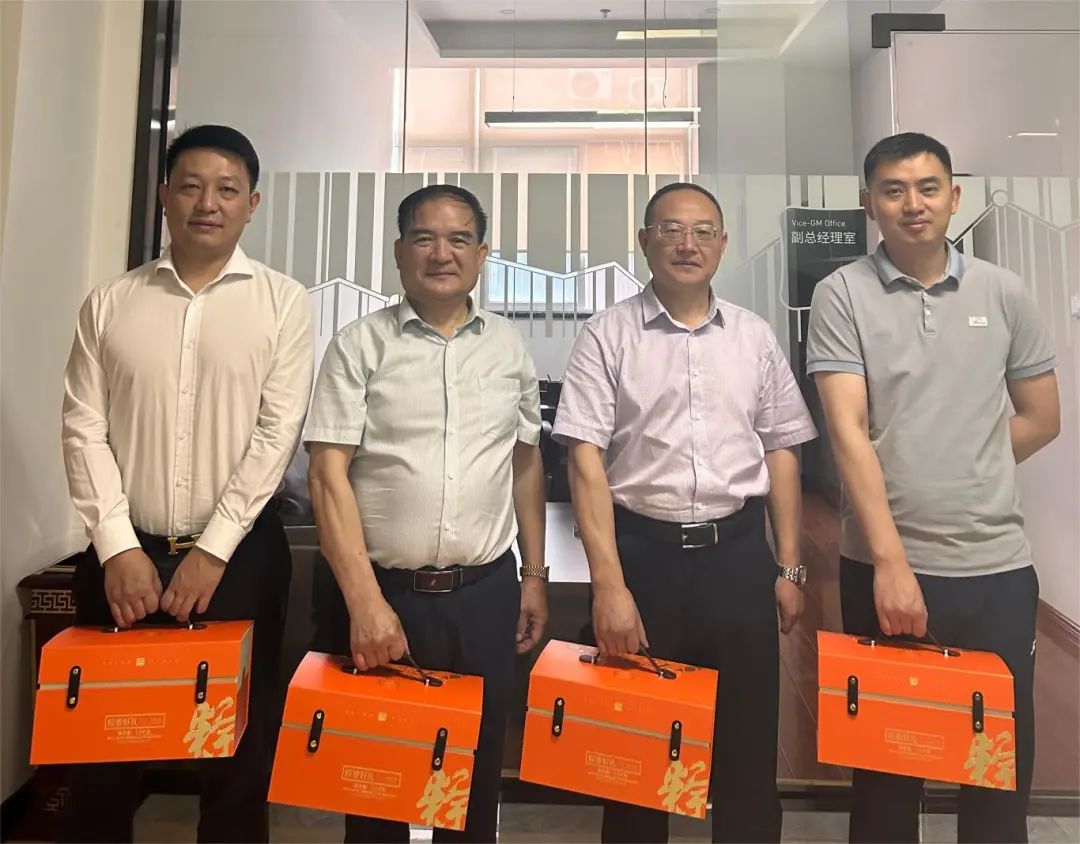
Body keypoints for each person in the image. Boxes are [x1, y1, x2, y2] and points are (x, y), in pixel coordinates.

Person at [59, 124, 314, 842]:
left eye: (227, 189)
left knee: (236, 760)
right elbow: (82, 428)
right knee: (103, 753)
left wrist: (213, 549)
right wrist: (117, 546)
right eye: (193, 186)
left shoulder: (283, 303)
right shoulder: (110, 302)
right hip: (124, 557)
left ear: (251, 204)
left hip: (240, 559)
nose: (209, 203)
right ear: (165, 196)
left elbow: (277, 433)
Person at [806, 132, 1061, 844]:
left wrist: (968, 461)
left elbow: (1042, 418)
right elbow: (848, 433)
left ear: (954, 197)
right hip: (884, 563)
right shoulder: (841, 293)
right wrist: (891, 564)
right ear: (869, 204)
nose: (912, 204)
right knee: (888, 772)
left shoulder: (1003, 292)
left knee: (994, 769)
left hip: (996, 567)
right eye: (893, 190)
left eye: (927, 188)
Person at [553, 182, 817, 843]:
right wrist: (609, 586)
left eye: (703, 231)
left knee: (747, 752)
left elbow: (782, 449)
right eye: (671, 229)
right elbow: (584, 461)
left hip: (738, 559)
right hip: (644, 561)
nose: (687, 244)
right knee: (635, 757)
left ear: (722, 244)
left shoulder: (753, 336)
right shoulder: (607, 334)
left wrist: (789, 567)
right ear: (645, 241)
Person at [305, 184, 548, 843]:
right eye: (425, 238)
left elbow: (526, 465)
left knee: (472, 789)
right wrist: (364, 604)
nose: (443, 253)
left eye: (459, 239)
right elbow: (327, 475)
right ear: (399, 251)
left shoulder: (508, 348)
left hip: (483, 595)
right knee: (376, 790)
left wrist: (533, 576)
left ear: (482, 253)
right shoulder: (359, 345)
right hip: (382, 593)